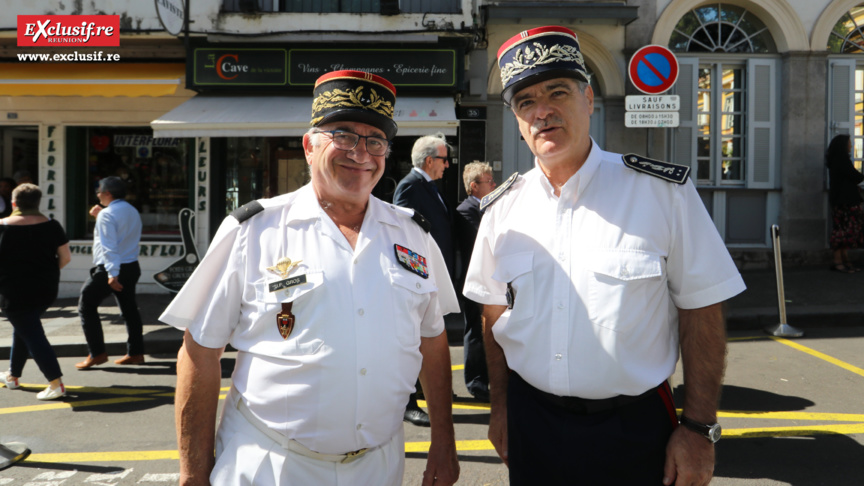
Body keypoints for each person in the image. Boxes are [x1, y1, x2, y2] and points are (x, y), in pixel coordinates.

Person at [463, 26, 747, 485]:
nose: (543, 111)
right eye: (526, 102)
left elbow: (703, 307)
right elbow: (493, 315)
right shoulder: (502, 209)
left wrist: (698, 428)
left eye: (558, 91)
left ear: (589, 99)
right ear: (517, 119)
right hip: (532, 422)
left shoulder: (661, 193)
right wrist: (500, 409)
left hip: (634, 428)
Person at [160, 70, 459, 486]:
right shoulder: (253, 230)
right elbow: (200, 352)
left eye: (375, 140)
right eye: (344, 135)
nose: (361, 153)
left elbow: (432, 339)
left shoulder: (413, 235)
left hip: (378, 465)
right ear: (308, 145)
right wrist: (193, 475)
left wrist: (443, 440)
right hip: (270, 461)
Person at [393, 133, 456, 427]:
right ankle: (410, 402)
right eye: (444, 159)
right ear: (430, 160)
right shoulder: (410, 187)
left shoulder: (430, 186)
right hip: (417, 277)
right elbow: (402, 235)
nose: (447, 165)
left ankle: (428, 391)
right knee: (414, 340)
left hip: (432, 274)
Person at [0, 184, 71, 400]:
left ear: (14, 203)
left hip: (13, 291)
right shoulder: (53, 226)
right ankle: (13, 376)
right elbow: (65, 257)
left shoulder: (2, 227)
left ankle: (55, 382)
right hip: (45, 289)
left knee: (32, 333)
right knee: (25, 327)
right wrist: (47, 272)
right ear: (37, 202)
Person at [75, 176, 145, 369]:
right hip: (131, 266)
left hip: (111, 268)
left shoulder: (107, 214)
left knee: (86, 305)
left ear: (107, 193)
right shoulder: (131, 210)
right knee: (129, 309)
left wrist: (112, 274)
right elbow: (120, 235)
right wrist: (101, 216)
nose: (97, 196)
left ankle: (96, 353)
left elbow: (109, 246)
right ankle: (136, 352)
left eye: (99, 192)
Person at [454, 162, 496, 402]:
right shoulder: (466, 210)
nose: (494, 185)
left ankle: (485, 378)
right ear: (474, 186)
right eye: (489, 182)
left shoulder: (486, 207)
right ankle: (475, 382)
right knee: (475, 331)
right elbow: (481, 242)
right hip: (475, 280)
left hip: (489, 279)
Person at [826, 134, 864, 273]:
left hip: (841, 200)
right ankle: (838, 261)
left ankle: (843, 259)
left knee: (843, 229)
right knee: (843, 231)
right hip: (845, 201)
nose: (851, 145)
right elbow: (856, 176)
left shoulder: (836, 160)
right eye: (849, 143)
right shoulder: (842, 160)